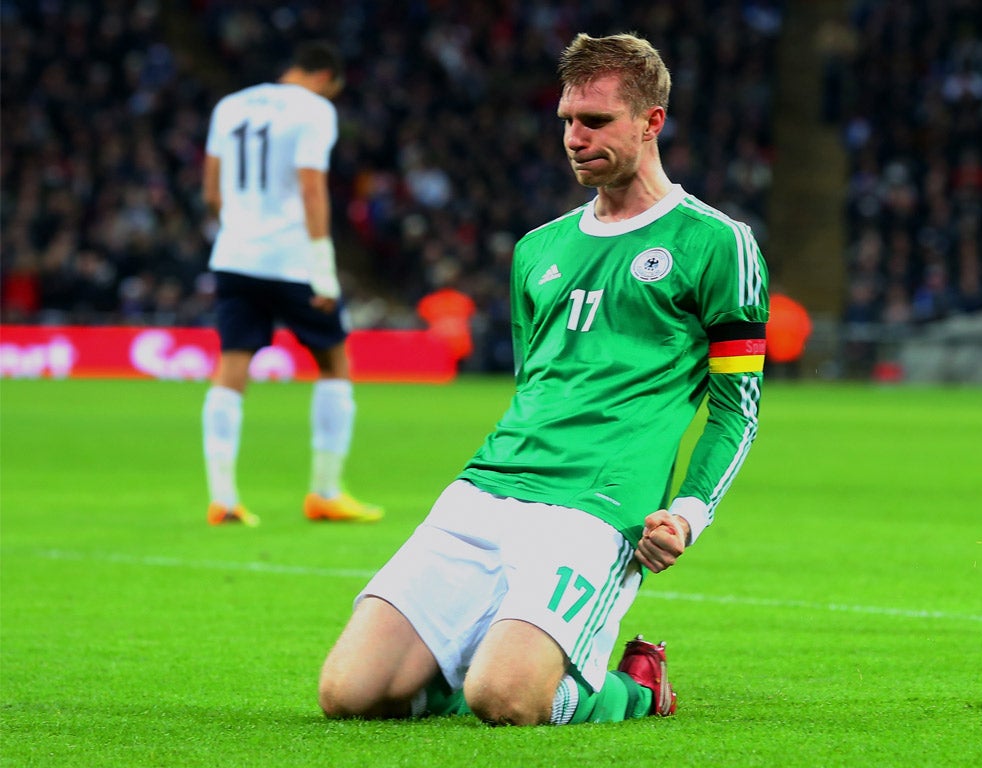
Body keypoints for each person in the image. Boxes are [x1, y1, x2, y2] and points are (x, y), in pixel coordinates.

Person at [317, 32, 768, 726]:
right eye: (566, 120)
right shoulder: (538, 249)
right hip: (487, 488)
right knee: (349, 695)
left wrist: (686, 513)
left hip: (596, 507)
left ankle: (640, 687)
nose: (574, 138)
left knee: (507, 701)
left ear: (652, 123)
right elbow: (533, 388)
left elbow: (736, 411)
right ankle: (482, 658)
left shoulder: (715, 242)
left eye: (595, 121)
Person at [200, 41, 381, 526]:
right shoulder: (315, 110)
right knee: (334, 361)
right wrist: (322, 261)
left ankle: (224, 497)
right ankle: (324, 491)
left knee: (232, 365)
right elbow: (310, 185)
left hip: (234, 255)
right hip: (292, 259)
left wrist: (239, 230)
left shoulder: (229, 105)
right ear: (327, 77)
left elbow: (211, 191)